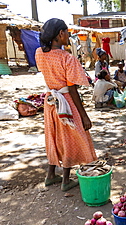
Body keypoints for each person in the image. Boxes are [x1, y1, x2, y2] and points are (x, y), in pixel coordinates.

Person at [35, 18, 97, 191]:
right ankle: (66, 180)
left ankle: (51, 175)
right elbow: (72, 90)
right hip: (66, 103)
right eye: (67, 32)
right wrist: (84, 115)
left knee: (53, 137)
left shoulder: (39, 53)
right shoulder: (67, 58)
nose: (69, 35)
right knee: (69, 137)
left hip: (50, 102)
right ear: (60, 34)